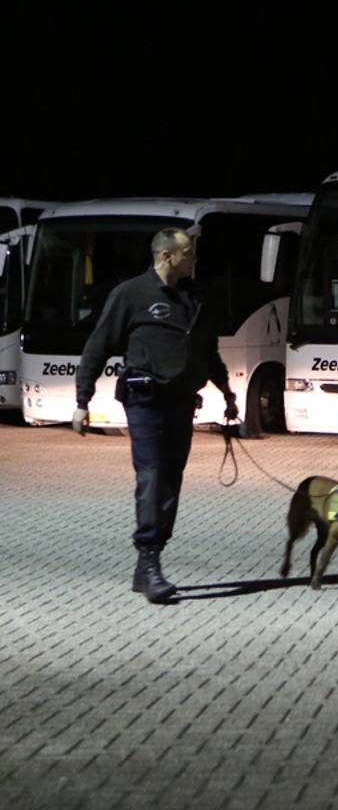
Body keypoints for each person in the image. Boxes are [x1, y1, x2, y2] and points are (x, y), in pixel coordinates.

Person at [72, 228, 238, 603]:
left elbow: (208, 352)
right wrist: (83, 401)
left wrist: (227, 392)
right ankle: (149, 560)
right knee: (152, 474)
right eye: (188, 253)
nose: (194, 259)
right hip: (143, 399)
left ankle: (149, 559)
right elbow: (97, 346)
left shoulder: (196, 297)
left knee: (171, 480)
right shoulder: (131, 294)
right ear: (167, 256)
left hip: (182, 401)